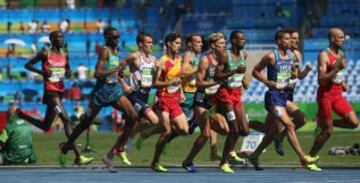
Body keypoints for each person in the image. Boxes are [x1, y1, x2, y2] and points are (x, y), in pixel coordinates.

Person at [59, 27, 139, 173]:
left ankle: (120, 148)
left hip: (114, 90)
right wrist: (115, 69)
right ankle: (65, 147)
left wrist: (121, 76)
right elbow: (97, 73)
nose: (116, 39)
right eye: (113, 37)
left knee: (133, 116)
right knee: (85, 123)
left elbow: (115, 72)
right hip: (101, 93)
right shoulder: (105, 51)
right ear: (106, 38)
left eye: (118, 37)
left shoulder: (116, 51)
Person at [15, 31, 93, 166]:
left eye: (63, 37)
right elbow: (27, 65)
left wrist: (68, 73)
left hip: (60, 92)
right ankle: (78, 156)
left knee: (46, 127)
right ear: (51, 39)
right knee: (67, 120)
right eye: (58, 37)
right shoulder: (45, 53)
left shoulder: (64, 55)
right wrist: (42, 72)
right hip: (51, 93)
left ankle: (22, 115)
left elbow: (68, 71)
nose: (62, 39)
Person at [249, 30, 319, 171]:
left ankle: (254, 154)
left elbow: (295, 75)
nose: (291, 41)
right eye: (287, 39)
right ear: (279, 41)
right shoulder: (270, 56)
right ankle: (303, 158)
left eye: (291, 39)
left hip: (284, 96)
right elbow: (255, 71)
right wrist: (266, 81)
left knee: (298, 120)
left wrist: (301, 71)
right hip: (273, 96)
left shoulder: (292, 56)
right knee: (289, 125)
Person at [308, 27, 359, 170]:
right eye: (340, 37)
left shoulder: (341, 53)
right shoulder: (323, 55)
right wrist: (337, 68)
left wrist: (342, 84)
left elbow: (337, 75)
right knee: (328, 131)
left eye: (343, 37)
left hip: (338, 94)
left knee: (354, 123)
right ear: (332, 39)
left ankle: (322, 123)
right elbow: (321, 80)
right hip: (325, 95)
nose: (343, 39)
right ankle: (309, 158)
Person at [182, 32, 229, 173]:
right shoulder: (205, 61)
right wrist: (214, 83)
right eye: (221, 43)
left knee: (225, 129)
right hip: (201, 100)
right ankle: (188, 161)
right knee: (205, 134)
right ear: (213, 46)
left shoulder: (225, 59)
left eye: (225, 43)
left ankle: (197, 124)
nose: (224, 45)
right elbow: (199, 83)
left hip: (213, 101)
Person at [150, 32, 188, 172]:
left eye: (180, 43)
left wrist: (182, 92)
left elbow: (179, 79)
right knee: (166, 131)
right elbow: (154, 84)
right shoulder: (162, 62)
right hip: (163, 99)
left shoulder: (180, 59)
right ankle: (155, 162)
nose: (179, 46)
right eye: (177, 43)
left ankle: (150, 131)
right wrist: (169, 82)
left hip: (175, 100)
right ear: (168, 44)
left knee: (184, 130)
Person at [272, 28, 313, 156]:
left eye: (297, 38)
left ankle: (255, 152)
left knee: (273, 128)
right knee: (297, 121)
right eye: (292, 38)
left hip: (289, 93)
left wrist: (306, 70)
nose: (295, 41)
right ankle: (245, 128)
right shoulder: (279, 55)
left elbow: (298, 76)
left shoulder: (297, 55)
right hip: (278, 94)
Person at [117, 32, 159, 155]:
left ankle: (116, 150)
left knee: (141, 123)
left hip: (145, 95)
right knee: (154, 120)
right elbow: (117, 69)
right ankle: (128, 141)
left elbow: (154, 81)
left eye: (152, 42)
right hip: (134, 94)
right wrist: (124, 84)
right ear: (141, 44)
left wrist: (158, 70)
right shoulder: (134, 57)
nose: (151, 45)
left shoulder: (153, 59)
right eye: (148, 42)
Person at [213, 30, 249, 173]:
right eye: (241, 39)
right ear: (233, 41)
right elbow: (217, 75)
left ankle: (232, 152)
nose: (244, 41)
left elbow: (241, 72)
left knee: (245, 131)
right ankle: (224, 162)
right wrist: (234, 71)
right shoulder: (224, 55)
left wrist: (243, 80)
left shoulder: (243, 55)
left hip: (236, 94)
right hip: (225, 95)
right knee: (234, 129)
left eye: (244, 39)